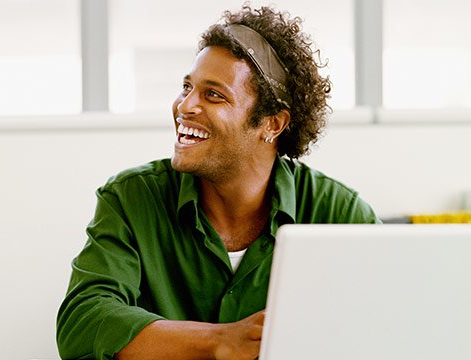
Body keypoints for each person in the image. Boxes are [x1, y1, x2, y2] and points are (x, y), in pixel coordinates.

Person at [57, 4, 380, 360]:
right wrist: (220, 340)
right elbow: (83, 323)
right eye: (186, 87)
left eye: (213, 94)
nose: (185, 106)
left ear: (272, 124)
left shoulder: (338, 213)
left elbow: (390, 321)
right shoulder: (131, 197)